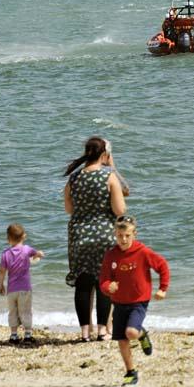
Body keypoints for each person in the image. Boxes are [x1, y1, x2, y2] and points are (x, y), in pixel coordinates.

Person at [64, 136, 129, 341]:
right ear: (104, 155)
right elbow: (120, 210)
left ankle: (85, 331)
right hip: (104, 234)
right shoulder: (108, 176)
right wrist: (113, 167)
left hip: (79, 235)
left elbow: (69, 209)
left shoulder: (73, 178)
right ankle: (102, 330)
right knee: (105, 282)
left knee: (83, 284)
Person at [100, 214, 170, 386]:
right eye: (119, 236)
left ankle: (141, 334)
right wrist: (108, 287)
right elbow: (103, 280)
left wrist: (162, 288)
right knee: (121, 340)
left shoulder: (143, 252)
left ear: (134, 234)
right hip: (118, 302)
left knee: (130, 332)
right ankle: (131, 372)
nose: (123, 239)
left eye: (127, 236)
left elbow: (162, 266)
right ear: (115, 234)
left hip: (139, 301)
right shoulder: (111, 255)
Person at [0, 223, 45, 345]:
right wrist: (40, 254)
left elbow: (2, 271)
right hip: (24, 288)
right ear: (24, 236)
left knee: (13, 311)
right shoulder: (27, 249)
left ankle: (14, 335)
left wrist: (1, 285)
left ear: (8, 239)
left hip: (12, 290)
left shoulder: (5, 254)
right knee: (26, 311)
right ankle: (28, 335)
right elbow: (37, 254)